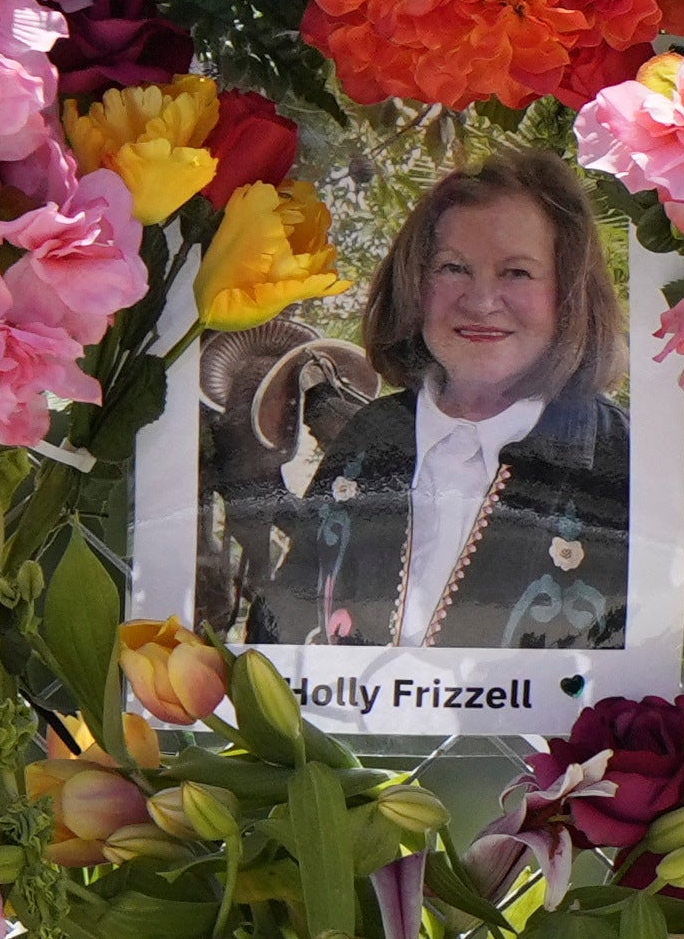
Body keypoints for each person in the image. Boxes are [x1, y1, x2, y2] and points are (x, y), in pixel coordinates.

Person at [255, 154, 635, 655]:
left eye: (517, 272)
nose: (480, 302)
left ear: (570, 294)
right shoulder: (370, 436)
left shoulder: (624, 460)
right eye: (454, 268)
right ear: (415, 284)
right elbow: (278, 637)